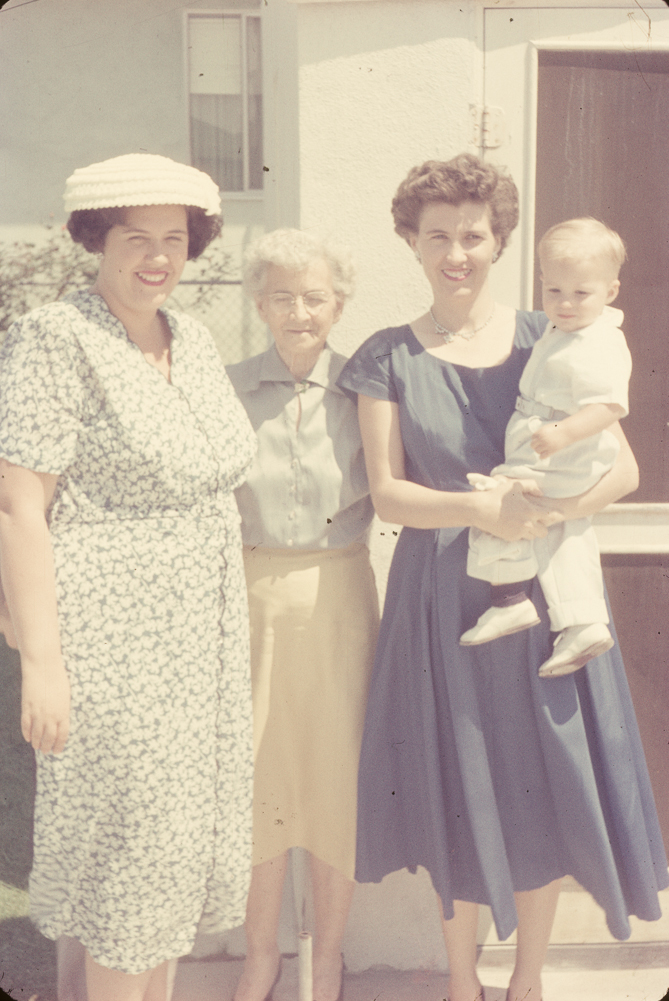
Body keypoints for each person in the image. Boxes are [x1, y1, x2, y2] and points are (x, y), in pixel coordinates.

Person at [337, 154, 668, 1001]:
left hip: (543, 593)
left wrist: (548, 516)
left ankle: (525, 981)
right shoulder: (385, 356)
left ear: (499, 242)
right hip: (441, 598)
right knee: (458, 778)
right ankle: (460, 981)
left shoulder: (548, 333)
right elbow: (388, 493)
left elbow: (624, 470)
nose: (456, 253)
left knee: (542, 775)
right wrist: (483, 511)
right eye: (437, 236)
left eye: (473, 236)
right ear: (411, 241)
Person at [0, 153, 257, 1001]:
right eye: (136, 238)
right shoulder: (57, 335)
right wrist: (43, 662)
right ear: (96, 240)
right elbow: (19, 505)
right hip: (111, 640)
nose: (157, 257)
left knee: (168, 865)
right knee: (128, 870)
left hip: (198, 646)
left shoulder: (194, 339)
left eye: (173, 239)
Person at [226, 229, 378, 1001]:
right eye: (282, 296)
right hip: (249, 599)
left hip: (339, 599)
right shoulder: (221, 388)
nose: (298, 311)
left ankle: (328, 957)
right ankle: (261, 954)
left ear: (338, 305)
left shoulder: (366, 391)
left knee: (332, 779)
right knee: (255, 773)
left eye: (314, 297)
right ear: (259, 304)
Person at [461, 218, 632, 677]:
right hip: (550, 444)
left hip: (566, 451)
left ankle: (511, 598)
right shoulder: (565, 330)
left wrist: (562, 432)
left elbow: (609, 405)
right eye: (553, 291)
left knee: (502, 497)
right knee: (558, 531)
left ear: (610, 291)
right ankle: (580, 621)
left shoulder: (600, 341)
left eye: (581, 293)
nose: (565, 303)